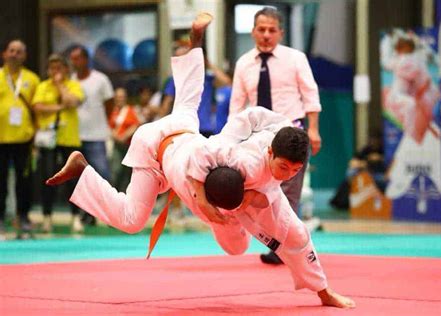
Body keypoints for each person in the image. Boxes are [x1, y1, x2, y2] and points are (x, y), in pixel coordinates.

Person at [46, 13, 354, 309]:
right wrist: (205, 202)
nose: (288, 174)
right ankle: (83, 170)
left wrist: (275, 130)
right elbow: (202, 158)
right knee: (132, 220)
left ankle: (195, 42)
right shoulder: (236, 159)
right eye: (284, 167)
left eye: (294, 171)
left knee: (291, 235)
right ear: (271, 154)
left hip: (185, 128)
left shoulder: (276, 135)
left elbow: (252, 115)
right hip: (158, 151)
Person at [230, 7, 323, 264]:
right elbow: (236, 106)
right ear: (253, 32)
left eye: (272, 30)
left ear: (281, 33)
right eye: (261, 30)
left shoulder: (295, 58)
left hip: (292, 133)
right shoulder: (244, 63)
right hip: (258, 139)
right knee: (257, 191)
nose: (266, 35)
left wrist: (313, 129)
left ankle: (283, 248)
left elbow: (310, 95)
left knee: (289, 195)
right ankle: (271, 239)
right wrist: (229, 140)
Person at [32, 53, 85, 233]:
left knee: (72, 179)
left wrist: (60, 85)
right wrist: (59, 107)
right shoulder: (42, 86)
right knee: (48, 176)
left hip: (69, 138)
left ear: (65, 69)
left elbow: (72, 101)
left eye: (59, 68)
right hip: (48, 139)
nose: (55, 71)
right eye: (52, 68)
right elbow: (38, 107)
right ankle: (47, 217)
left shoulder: (73, 85)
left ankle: (75, 217)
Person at [69, 45, 115, 226]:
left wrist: (100, 123)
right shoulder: (70, 81)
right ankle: (87, 214)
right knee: (80, 179)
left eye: (77, 58)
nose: (74, 62)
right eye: (72, 59)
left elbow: (110, 104)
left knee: (102, 174)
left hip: (96, 135)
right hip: (73, 137)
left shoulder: (100, 79)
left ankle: (113, 213)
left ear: (86, 59)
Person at [0, 40, 40, 239]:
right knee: (0, 182)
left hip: (24, 139)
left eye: (19, 52)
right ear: (4, 54)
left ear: (24, 56)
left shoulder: (32, 79)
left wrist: (37, 136)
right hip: (0, 139)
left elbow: (38, 109)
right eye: (12, 50)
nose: (15, 54)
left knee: (24, 181)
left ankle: (23, 217)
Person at [109, 87, 140, 192]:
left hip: (128, 145)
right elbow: (109, 126)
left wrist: (124, 136)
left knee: (128, 172)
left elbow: (135, 125)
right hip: (117, 145)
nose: (119, 99)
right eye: (118, 97)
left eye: (121, 97)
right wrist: (116, 136)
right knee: (115, 170)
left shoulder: (130, 110)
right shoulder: (112, 111)